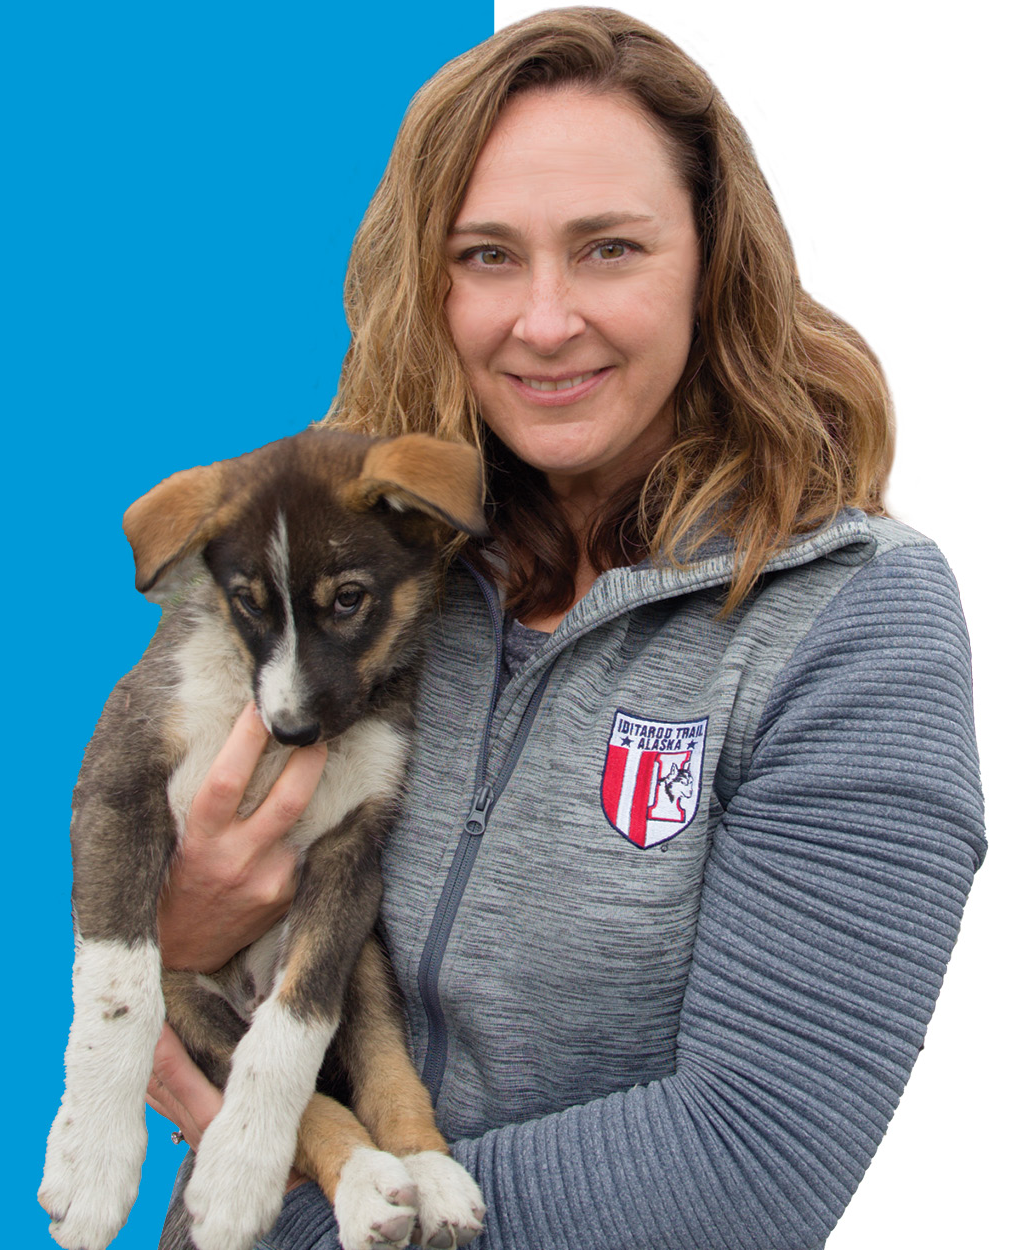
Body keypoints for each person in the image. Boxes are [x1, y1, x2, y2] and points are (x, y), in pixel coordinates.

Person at [147, 9, 986, 1248]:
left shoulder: (856, 625)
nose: (542, 321)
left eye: (606, 249)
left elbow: (745, 1164)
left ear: (712, 263)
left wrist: (305, 1227)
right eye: (486, 254)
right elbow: (188, 926)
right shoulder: (367, 569)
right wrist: (185, 926)